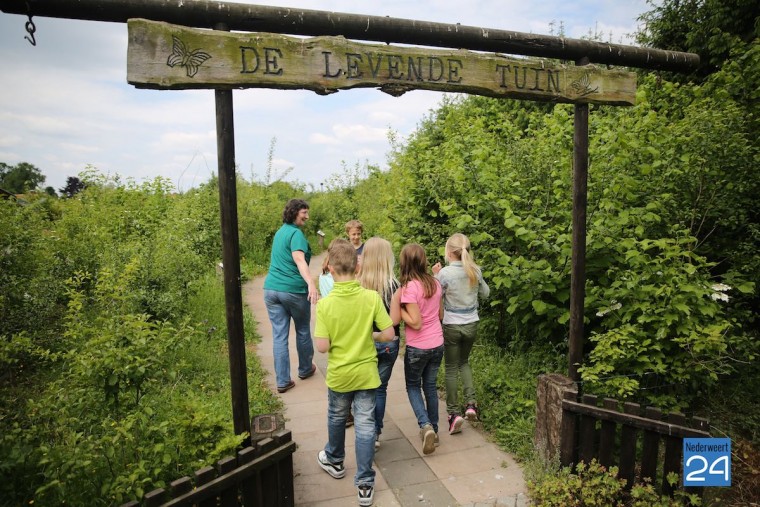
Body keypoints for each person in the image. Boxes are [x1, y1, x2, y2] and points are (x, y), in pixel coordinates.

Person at [314, 239, 396, 507]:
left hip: (339, 375)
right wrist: (368, 334)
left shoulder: (325, 305)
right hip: (366, 374)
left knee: (337, 417)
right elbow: (389, 334)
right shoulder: (371, 298)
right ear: (357, 267)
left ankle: (335, 460)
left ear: (331, 270)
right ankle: (364, 484)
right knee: (364, 425)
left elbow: (323, 347)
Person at [432, 233, 490, 433]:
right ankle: (471, 404)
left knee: (450, 368)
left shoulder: (445, 274)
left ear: (449, 252)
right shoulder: (474, 270)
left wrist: (434, 276)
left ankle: (453, 413)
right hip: (471, 323)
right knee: (464, 363)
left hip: (452, 325)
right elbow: (486, 294)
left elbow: (434, 295)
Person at [391, 243, 444, 455]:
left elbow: (416, 322)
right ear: (423, 261)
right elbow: (440, 316)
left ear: (404, 262)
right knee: (430, 386)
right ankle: (436, 431)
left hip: (418, 347)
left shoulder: (409, 288)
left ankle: (425, 426)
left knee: (413, 387)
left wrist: (401, 308)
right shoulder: (435, 283)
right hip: (437, 344)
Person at [263, 199, 318, 394]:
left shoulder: (280, 232)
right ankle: (305, 369)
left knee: (279, 335)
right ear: (295, 212)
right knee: (303, 329)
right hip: (293, 290)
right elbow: (298, 259)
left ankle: (283, 381)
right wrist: (311, 283)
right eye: (304, 212)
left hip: (271, 290)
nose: (307, 216)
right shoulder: (296, 234)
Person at [357, 237, 401, 449]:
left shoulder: (358, 283)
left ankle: (364, 431)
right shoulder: (394, 285)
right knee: (380, 389)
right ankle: (375, 433)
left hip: (364, 342)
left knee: (364, 390)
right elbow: (394, 322)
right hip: (389, 344)